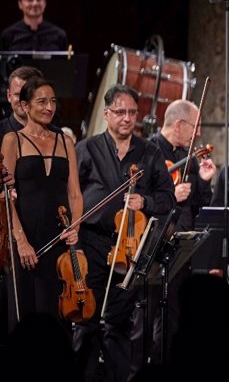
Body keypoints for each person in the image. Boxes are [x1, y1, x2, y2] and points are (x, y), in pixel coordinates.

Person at [72, 84, 174, 382]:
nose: (127, 118)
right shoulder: (86, 149)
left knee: (118, 323)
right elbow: (71, 195)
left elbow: (167, 198)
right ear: (106, 114)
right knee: (87, 320)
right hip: (91, 241)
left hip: (129, 249)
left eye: (132, 112)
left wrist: (147, 202)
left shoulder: (149, 152)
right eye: (120, 112)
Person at [130, 99, 217, 372]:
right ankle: (137, 371)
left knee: (175, 317)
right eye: (196, 126)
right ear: (179, 124)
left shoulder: (189, 155)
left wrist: (203, 181)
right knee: (147, 314)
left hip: (182, 242)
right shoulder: (147, 151)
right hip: (155, 242)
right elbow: (137, 197)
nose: (199, 133)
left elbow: (199, 204)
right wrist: (170, 196)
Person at [0, 77, 81, 332]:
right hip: (26, 238)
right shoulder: (13, 140)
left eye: (53, 101)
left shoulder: (65, 141)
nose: (49, 107)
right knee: (26, 315)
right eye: (42, 101)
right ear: (24, 106)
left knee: (56, 316)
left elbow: (75, 195)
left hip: (58, 239)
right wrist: (21, 241)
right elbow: (4, 194)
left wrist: (75, 227)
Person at [0, 0, 68, 51]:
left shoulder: (59, 35)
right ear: (20, 4)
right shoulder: (8, 35)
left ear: (45, 3)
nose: (35, 3)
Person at [0, 66, 46, 136]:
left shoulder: (58, 135)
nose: (23, 100)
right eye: (18, 94)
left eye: (29, 94)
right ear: (9, 96)